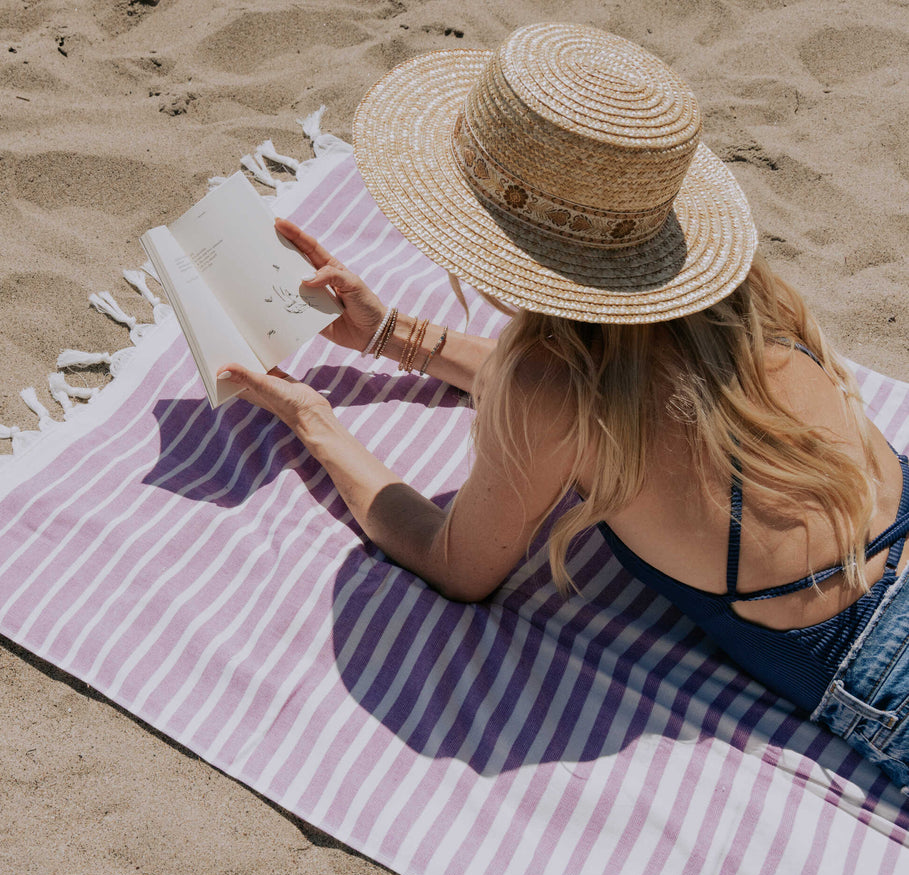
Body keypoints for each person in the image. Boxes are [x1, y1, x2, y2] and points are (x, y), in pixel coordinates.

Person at [218, 23, 909, 790]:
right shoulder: (746, 299)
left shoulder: (547, 386)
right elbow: (597, 397)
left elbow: (458, 566)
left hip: (883, 665)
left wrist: (312, 418)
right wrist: (395, 336)